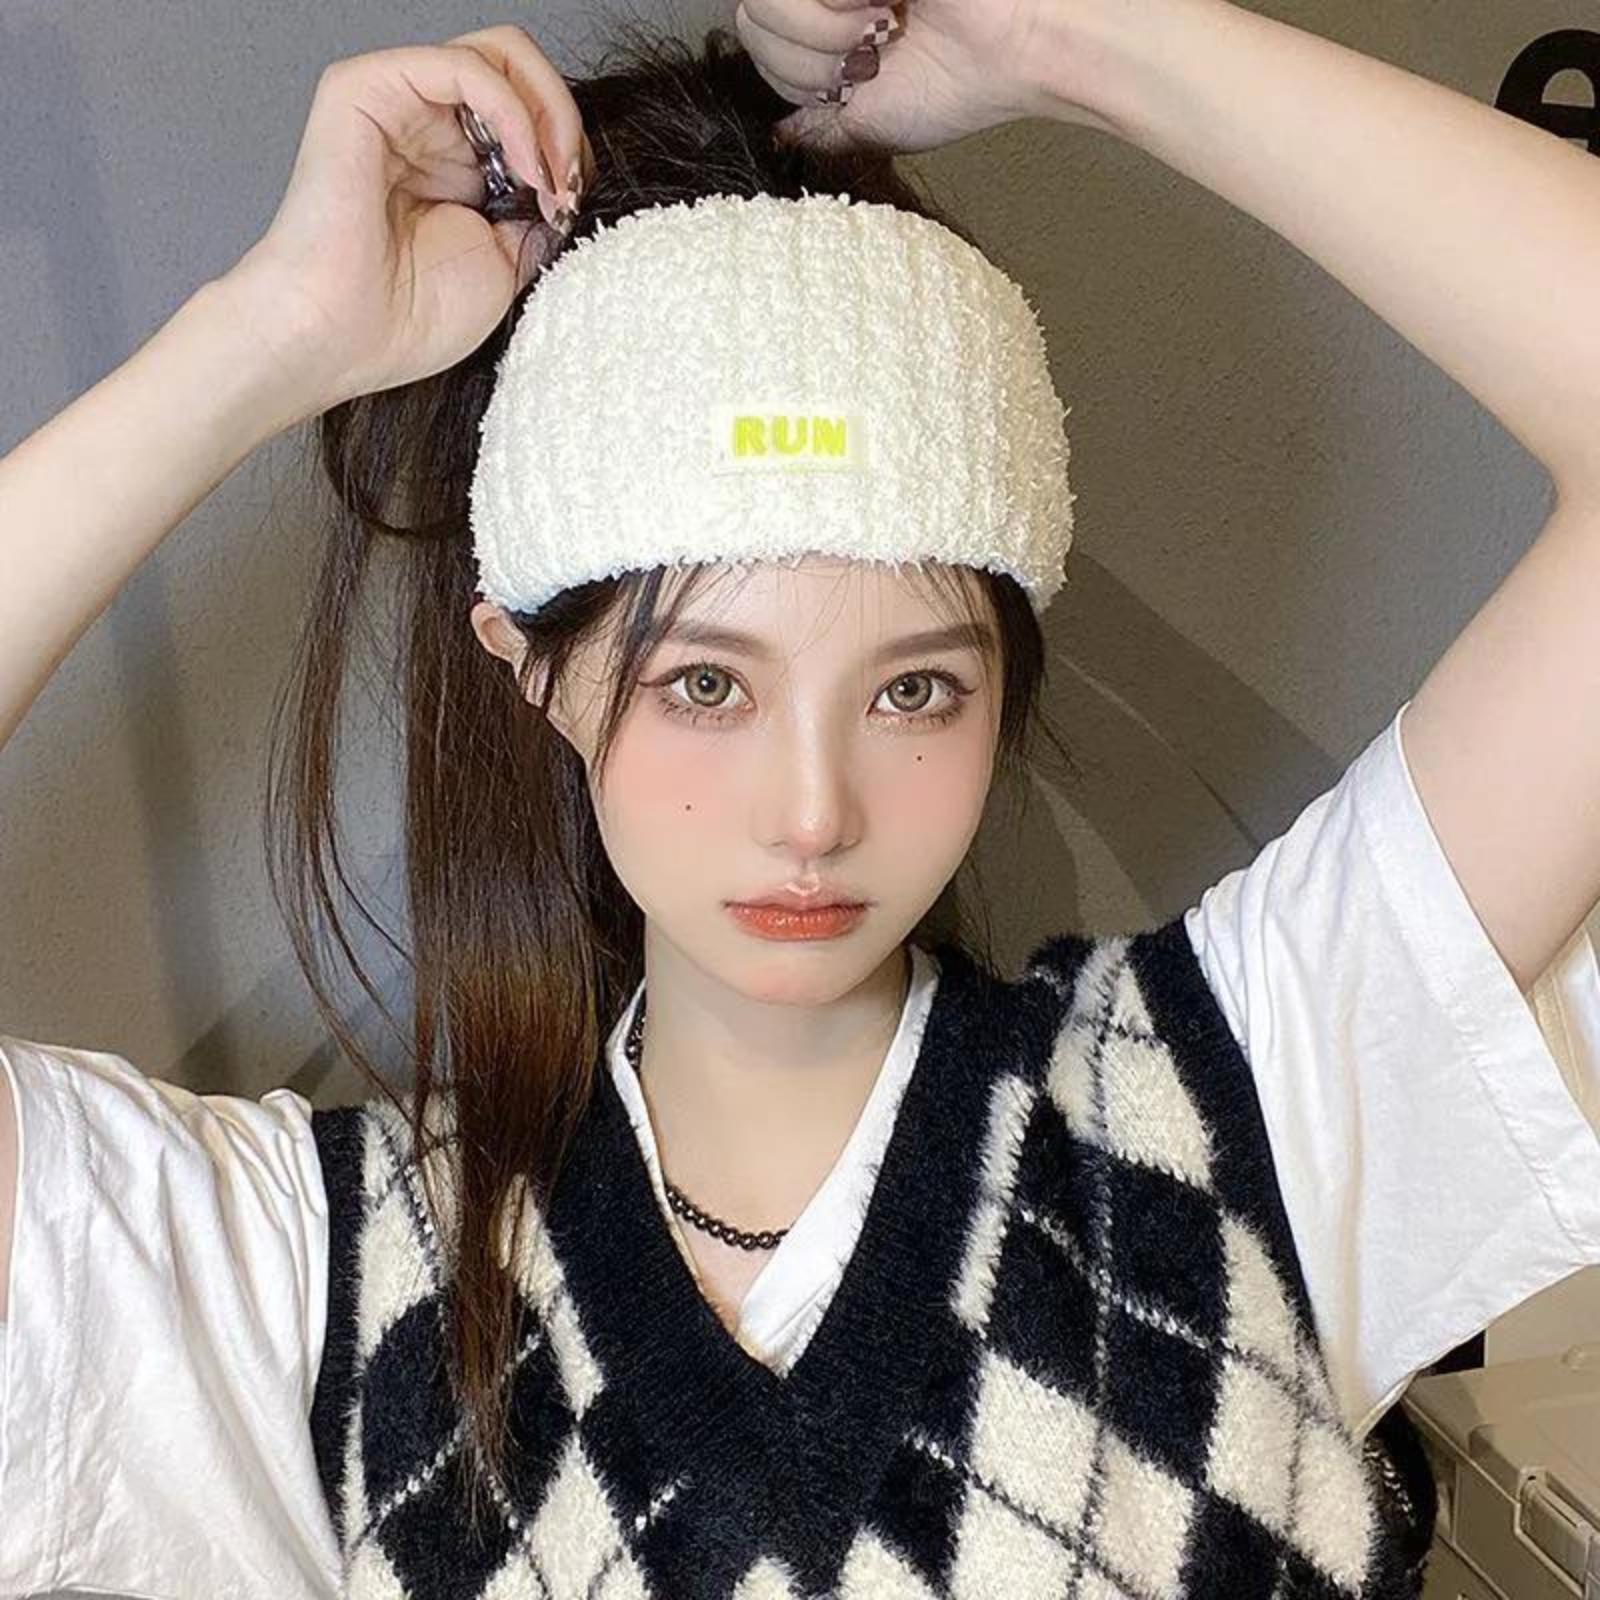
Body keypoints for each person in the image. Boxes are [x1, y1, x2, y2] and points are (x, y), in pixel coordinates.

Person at [1, 3, 1598, 1598]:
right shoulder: (335, 1291)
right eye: (706, 685)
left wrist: (1072, 35)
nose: (814, 813)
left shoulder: (1233, 1117)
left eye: (915, 691)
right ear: (533, 667)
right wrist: (271, 331)